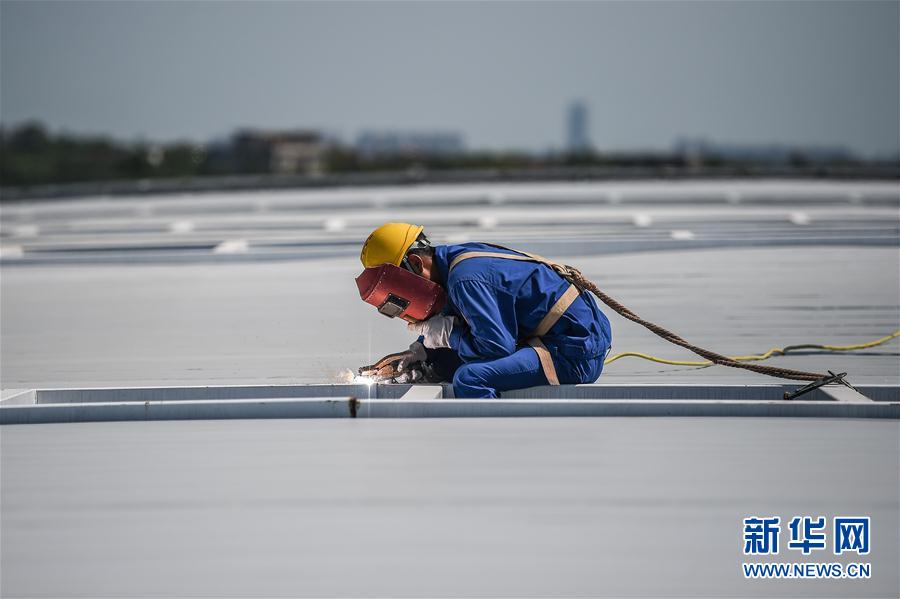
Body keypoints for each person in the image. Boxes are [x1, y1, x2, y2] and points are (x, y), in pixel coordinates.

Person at [359, 222, 613, 398]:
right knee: (444, 361)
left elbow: (496, 347)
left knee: (470, 378)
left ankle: (492, 453)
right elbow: (468, 318)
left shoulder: (465, 280)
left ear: (415, 263)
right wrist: (423, 352)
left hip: (574, 352)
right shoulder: (451, 264)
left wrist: (449, 336)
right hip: (566, 338)